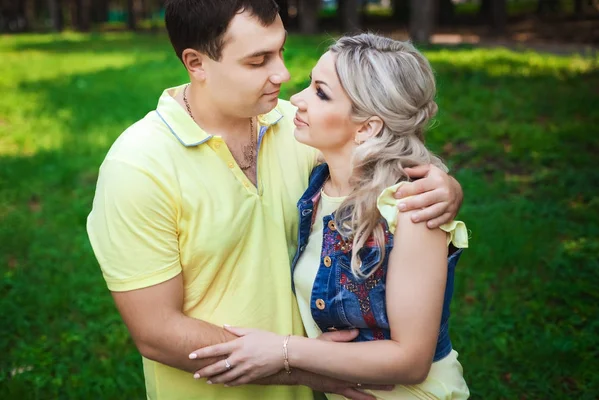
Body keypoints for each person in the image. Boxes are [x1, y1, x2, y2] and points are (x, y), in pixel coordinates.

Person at [86, 0, 464, 398]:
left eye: (281, 50)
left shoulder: (296, 128)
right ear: (196, 63)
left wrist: (443, 186)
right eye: (258, 60)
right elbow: (156, 332)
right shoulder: (139, 166)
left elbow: (381, 160)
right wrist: (299, 367)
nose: (282, 73)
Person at [188, 34, 470, 399]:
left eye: (320, 93)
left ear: (367, 127)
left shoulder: (410, 209)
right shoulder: (319, 185)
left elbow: (411, 361)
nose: (296, 100)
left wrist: (283, 351)